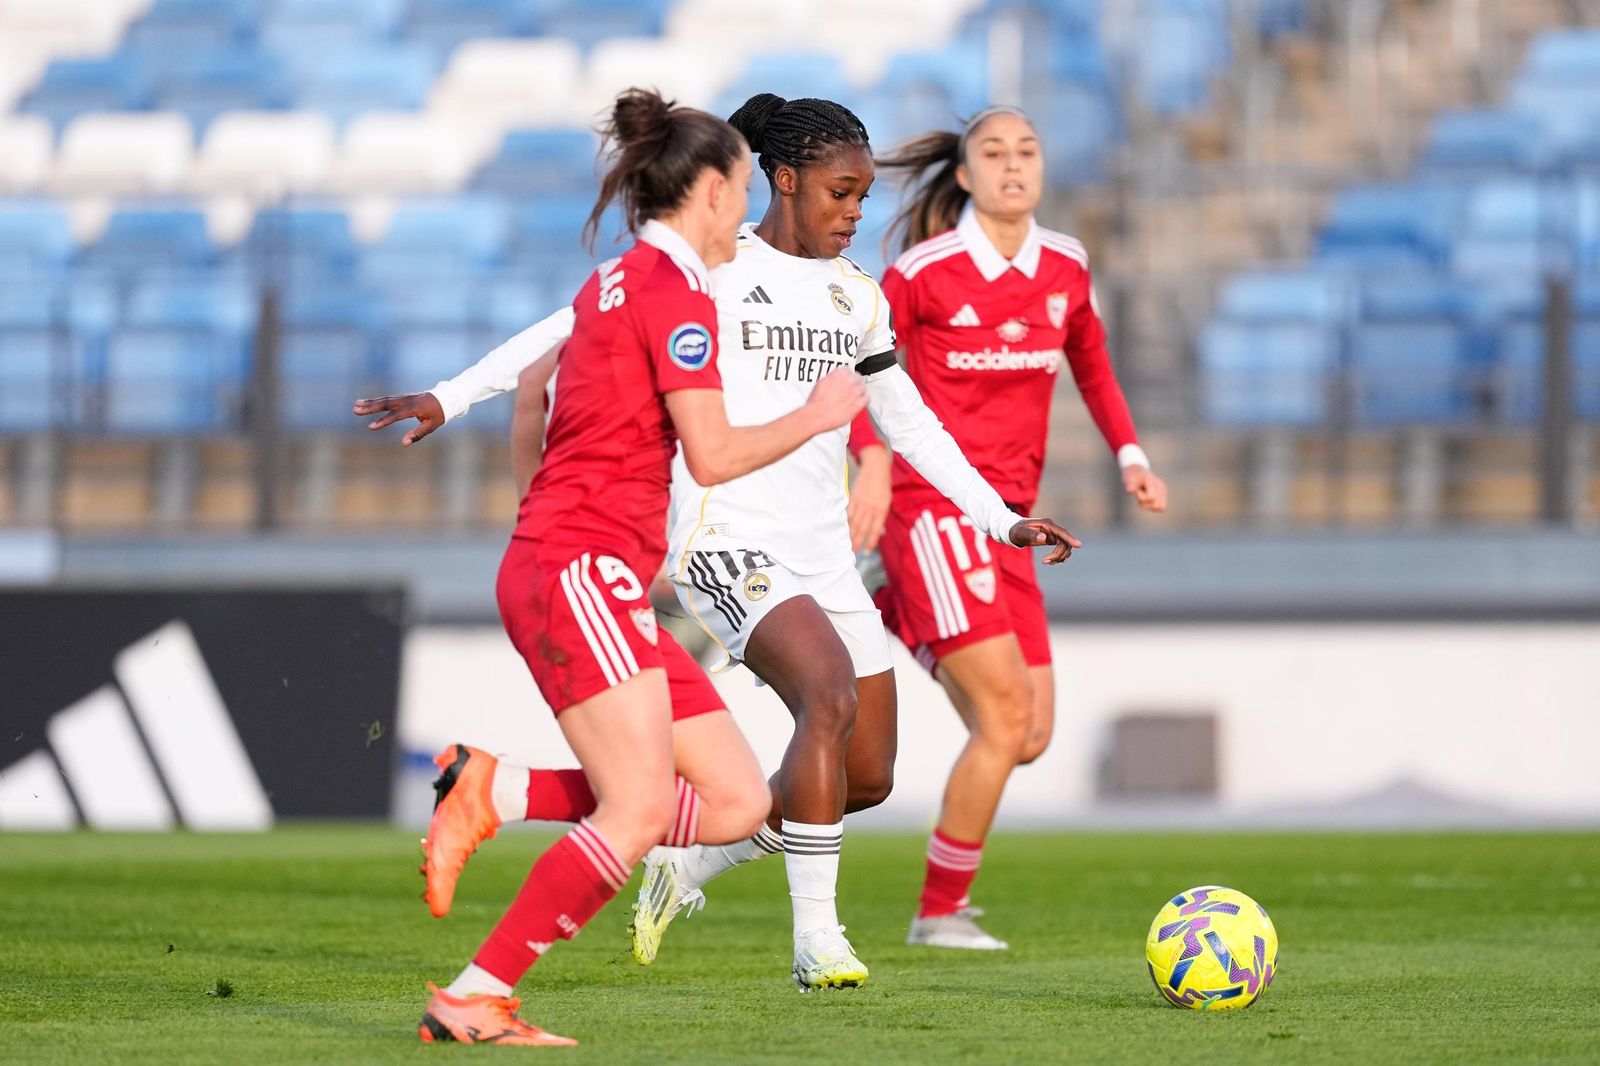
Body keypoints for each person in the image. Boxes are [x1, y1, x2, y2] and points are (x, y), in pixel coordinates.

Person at [357, 94, 1082, 992]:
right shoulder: (710, 267)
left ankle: (685, 857)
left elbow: (915, 425)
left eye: (862, 196)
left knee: (864, 778)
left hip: (823, 553)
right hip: (724, 539)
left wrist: (1001, 518)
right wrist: (450, 394)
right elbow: (565, 327)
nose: (856, 213)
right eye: (840, 193)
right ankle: (818, 939)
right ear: (783, 180)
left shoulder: (859, 298)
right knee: (825, 692)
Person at [379, 88, 867, 1046]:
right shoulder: (676, 296)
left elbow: (534, 391)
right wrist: (819, 415)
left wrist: (537, 512)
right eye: (738, 192)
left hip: (578, 567)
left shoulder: (608, 284)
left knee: (734, 800)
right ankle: (478, 993)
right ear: (719, 193)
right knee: (640, 804)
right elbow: (714, 456)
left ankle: (499, 789)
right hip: (582, 571)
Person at [854, 105, 1168, 950]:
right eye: (994, 152)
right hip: (937, 507)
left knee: (1029, 734)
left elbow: (1093, 362)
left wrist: (1130, 454)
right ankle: (938, 914)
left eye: (1027, 149)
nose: (1013, 164)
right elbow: (855, 371)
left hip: (1014, 524)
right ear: (964, 175)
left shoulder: (1066, 265)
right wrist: (873, 461)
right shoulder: (921, 272)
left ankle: (902, 613)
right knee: (1001, 718)